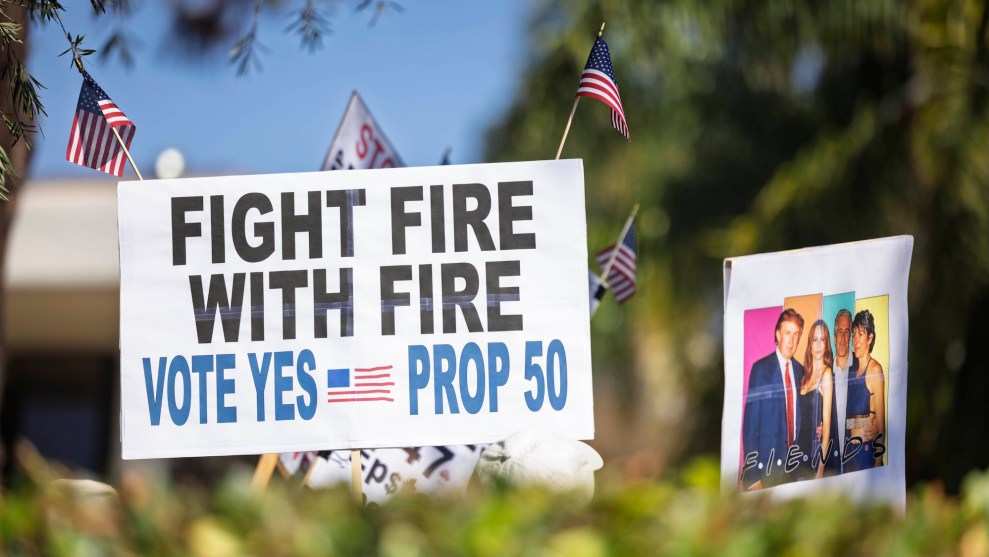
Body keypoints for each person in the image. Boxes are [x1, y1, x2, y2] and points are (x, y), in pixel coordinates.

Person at [741, 308, 804, 490]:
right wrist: (752, 480)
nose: (791, 340)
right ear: (778, 334)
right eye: (787, 333)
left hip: (794, 473)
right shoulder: (761, 370)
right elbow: (750, 429)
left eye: (796, 334)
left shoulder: (801, 372)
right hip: (766, 474)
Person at [843, 309, 886, 472]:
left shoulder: (875, 370)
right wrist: (861, 424)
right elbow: (847, 419)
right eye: (854, 335)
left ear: (870, 337)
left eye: (860, 334)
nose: (855, 341)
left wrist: (877, 466)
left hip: (867, 456)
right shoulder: (850, 368)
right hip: (849, 455)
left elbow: (880, 425)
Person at [797, 319, 839, 479]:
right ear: (810, 343)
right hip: (798, 453)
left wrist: (820, 471)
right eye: (815, 339)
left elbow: (826, 429)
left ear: (827, 343)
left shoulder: (826, 374)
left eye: (823, 340)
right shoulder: (803, 376)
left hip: (814, 458)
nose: (819, 344)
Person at [832, 309, 853, 473]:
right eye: (840, 331)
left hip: (855, 460)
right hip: (830, 463)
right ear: (833, 338)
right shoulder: (825, 374)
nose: (843, 338)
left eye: (847, 332)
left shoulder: (862, 369)